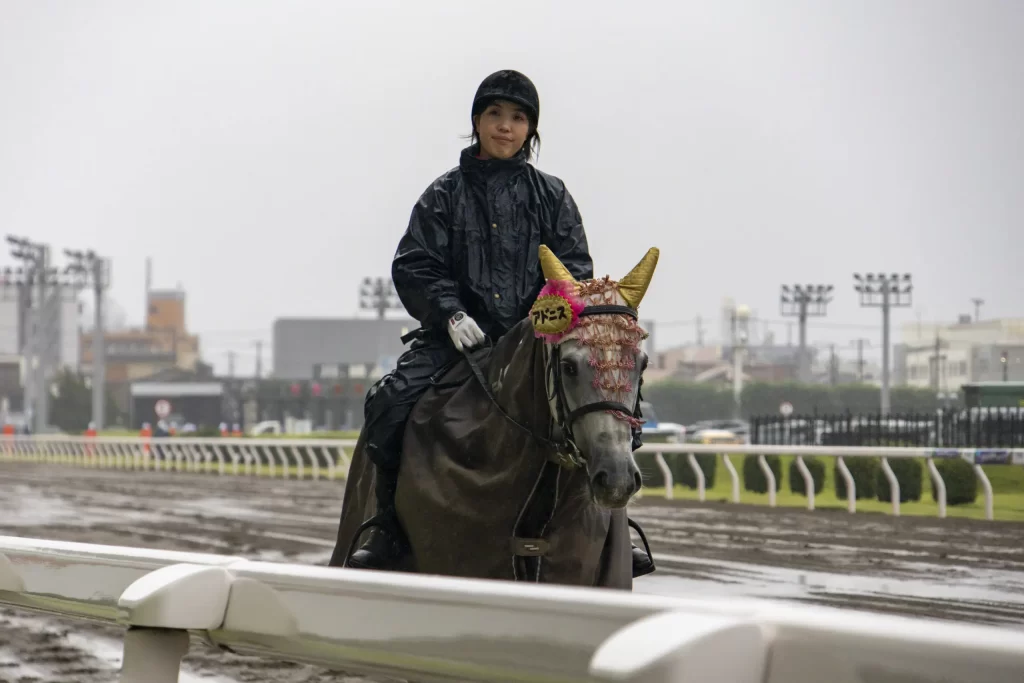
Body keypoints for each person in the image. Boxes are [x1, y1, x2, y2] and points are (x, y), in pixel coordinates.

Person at [348, 70, 653, 578]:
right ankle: (385, 525)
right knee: (388, 401)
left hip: (536, 339)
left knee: (614, 394)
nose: (505, 127)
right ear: (476, 122)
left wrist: (544, 319)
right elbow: (414, 264)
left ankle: (618, 518)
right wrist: (450, 311)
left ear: (530, 129)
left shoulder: (552, 195)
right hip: (455, 342)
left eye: (517, 118)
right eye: (495, 115)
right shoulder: (443, 195)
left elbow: (573, 271)